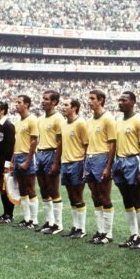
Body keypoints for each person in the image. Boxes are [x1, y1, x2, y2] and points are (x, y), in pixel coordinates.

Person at [113, 91, 140, 249]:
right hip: (119, 161)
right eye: (119, 100)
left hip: (132, 161)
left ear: (133, 102)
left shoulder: (139, 120)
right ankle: (133, 234)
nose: (120, 102)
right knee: (126, 199)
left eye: (124, 100)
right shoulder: (118, 121)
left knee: (136, 198)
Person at [84, 90, 117, 245]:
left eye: (92, 99)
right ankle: (100, 230)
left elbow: (112, 144)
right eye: (89, 98)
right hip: (90, 158)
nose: (89, 101)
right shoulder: (90, 121)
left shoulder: (108, 119)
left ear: (101, 100)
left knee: (104, 195)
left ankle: (108, 233)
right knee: (94, 195)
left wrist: (108, 166)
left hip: (102, 157)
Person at [35, 90, 65, 234]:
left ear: (54, 102)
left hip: (51, 153)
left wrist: (56, 162)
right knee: (43, 188)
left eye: (46, 99)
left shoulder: (58, 119)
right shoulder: (40, 119)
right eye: (43, 98)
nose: (43, 101)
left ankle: (58, 224)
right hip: (40, 153)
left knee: (53, 189)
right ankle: (49, 221)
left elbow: (60, 142)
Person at [59, 98, 89, 239]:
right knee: (71, 196)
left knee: (78, 195)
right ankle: (75, 226)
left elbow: (86, 145)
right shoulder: (64, 124)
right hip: (66, 162)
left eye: (66, 105)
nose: (63, 107)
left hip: (77, 162)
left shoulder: (81, 123)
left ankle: (81, 229)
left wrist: (84, 165)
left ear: (74, 107)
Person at [12, 95, 39, 228]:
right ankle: (26, 218)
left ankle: (34, 220)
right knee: (22, 188)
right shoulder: (18, 122)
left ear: (26, 105)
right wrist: (12, 160)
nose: (16, 104)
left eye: (19, 102)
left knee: (30, 188)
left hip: (26, 156)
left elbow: (34, 141)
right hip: (17, 156)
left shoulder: (32, 119)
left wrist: (28, 161)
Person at [0, 101, 16, 223]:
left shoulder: (8, 125)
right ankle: (5, 213)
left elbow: (10, 146)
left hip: (3, 161)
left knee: (6, 188)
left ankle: (9, 215)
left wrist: (7, 164)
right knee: (1, 188)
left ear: (3, 111)